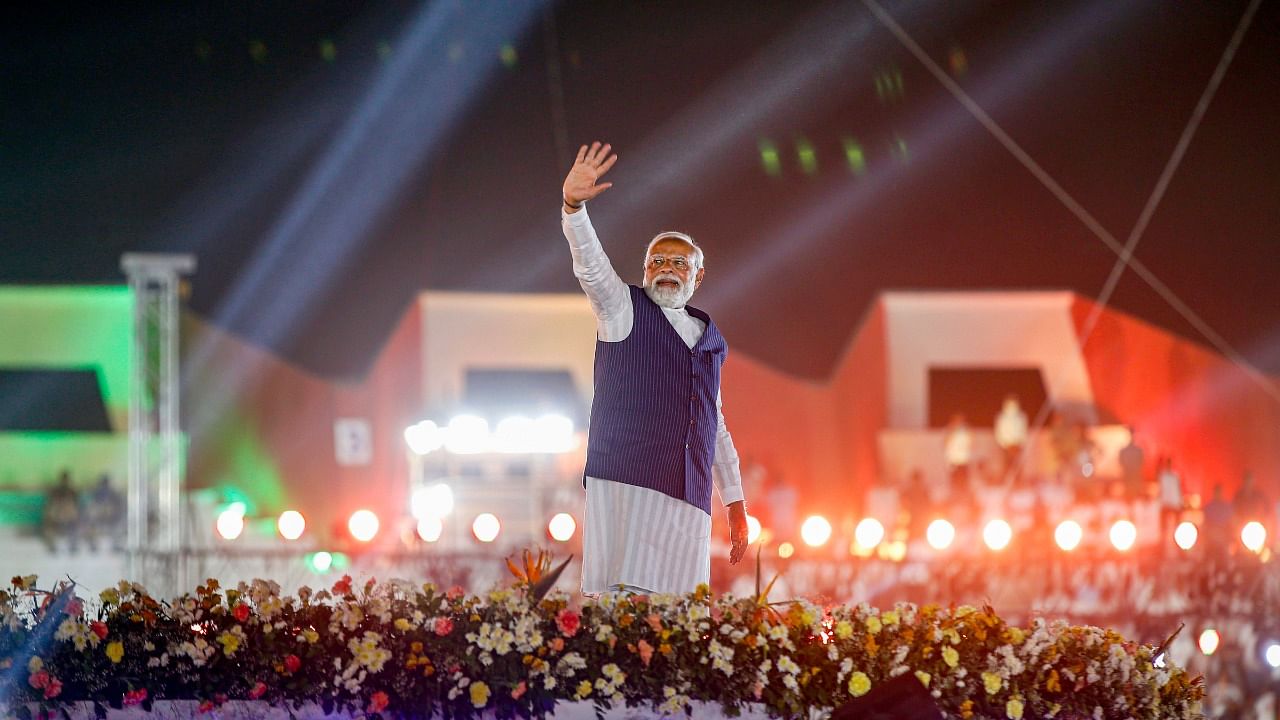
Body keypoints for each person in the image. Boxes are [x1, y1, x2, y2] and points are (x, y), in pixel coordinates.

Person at [560, 141, 748, 596]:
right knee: (624, 610)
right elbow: (591, 269)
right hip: (629, 486)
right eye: (656, 261)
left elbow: (714, 425)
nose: (666, 269)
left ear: (697, 276)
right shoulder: (623, 309)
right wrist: (573, 209)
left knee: (682, 615)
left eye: (677, 263)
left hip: (689, 497)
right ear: (644, 270)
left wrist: (736, 501)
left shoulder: (710, 341)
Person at [993, 394, 1028, 479]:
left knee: (1017, 466)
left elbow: (1023, 431)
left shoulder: (1021, 416)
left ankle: (1017, 483)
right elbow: (998, 432)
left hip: (1016, 445)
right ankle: (1008, 483)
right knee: (1007, 465)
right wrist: (1003, 444)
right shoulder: (1001, 417)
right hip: (1006, 446)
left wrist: (1020, 444)